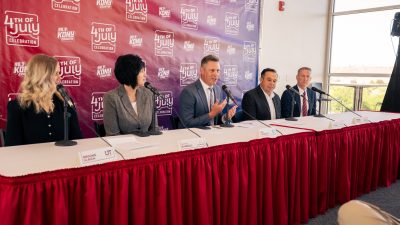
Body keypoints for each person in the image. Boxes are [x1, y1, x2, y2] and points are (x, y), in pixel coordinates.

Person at [5, 54, 82, 146]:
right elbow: (12, 147)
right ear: (42, 77)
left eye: (59, 73)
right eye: (56, 74)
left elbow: (77, 139)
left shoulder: (64, 102)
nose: (60, 78)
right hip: (31, 160)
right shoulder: (18, 106)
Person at [103, 54, 157, 136]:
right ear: (131, 73)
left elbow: (154, 129)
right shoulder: (111, 97)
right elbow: (113, 135)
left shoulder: (148, 94)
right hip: (123, 147)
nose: (145, 75)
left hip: (149, 145)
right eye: (142, 71)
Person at [179, 54, 237, 128]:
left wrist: (225, 117)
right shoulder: (188, 92)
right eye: (212, 70)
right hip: (196, 137)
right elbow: (186, 123)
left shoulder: (218, 90)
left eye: (218, 71)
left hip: (215, 135)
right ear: (202, 71)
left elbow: (216, 120)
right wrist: (211, 114)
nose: (216, 74)